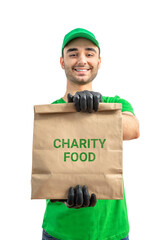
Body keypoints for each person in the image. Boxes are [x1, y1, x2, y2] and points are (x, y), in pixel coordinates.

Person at [42, 28, 140, 240]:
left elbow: (133, 129)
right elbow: (46, 173)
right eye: (73, 53)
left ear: (99, 61)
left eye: (89, 53)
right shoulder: (50, 113)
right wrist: (61, 198)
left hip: (112, 230)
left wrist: (99, 111)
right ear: (62, 62)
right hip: (61, 231)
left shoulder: (116, 104)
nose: (82, 60)